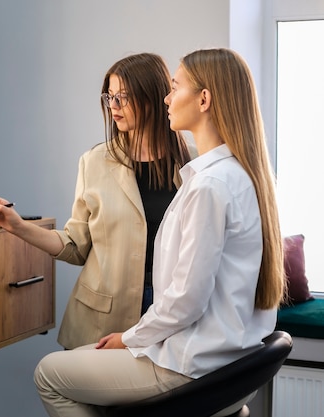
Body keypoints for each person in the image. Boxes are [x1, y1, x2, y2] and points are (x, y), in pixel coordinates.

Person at [22, 48, 287, 417]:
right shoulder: (240, 175)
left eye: (175, 87)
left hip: (192, 362)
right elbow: (77, 242)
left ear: (204, 99)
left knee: (49, 374)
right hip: (228, 363)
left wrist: (129, 338)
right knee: (82, 360)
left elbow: (186, 301)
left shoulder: (207, 184)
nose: (167, 96)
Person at [0, 52, 192, 350]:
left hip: (171, 312)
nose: (114, 106)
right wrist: (16, 226)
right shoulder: (94, 162)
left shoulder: (195, 162)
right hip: (102, 319)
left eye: (124, 97)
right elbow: (75, 247)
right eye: (110, 97)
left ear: (154, 96)